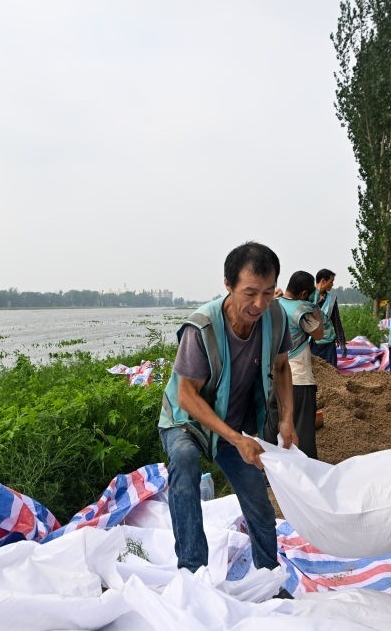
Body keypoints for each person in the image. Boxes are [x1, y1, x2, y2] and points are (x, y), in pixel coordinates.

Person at [158, 241, 297, 579]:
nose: (259, 303)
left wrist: (287, 419)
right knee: (185, 461)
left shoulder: (275, 317)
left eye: (268, 292)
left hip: (235, 425)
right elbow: (186, 395)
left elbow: (281, 367)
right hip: (188, 422)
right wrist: (236, 439)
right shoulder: (202, 328)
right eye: (250, 293)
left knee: (258, 499)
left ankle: (268, 576)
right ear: (228, 285)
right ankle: (193, 573)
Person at [265, 270, 324, 458]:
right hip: (298, 379)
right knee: (302, 430)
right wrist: (315, 308)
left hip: (273, 376)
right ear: (304, 293)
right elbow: (319, 334)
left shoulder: (273, 304)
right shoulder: (301, 311)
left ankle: (270, 466)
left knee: (273, 426)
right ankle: (305, 469)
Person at [309, 269, 347, 367]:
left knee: (331, 371)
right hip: (312, 344)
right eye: (331, 281)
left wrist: (341, 341)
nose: (332, 284)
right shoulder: (308, 296)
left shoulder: (331, 299)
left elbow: (336, 321)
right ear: (323, 281)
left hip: (328, 344)